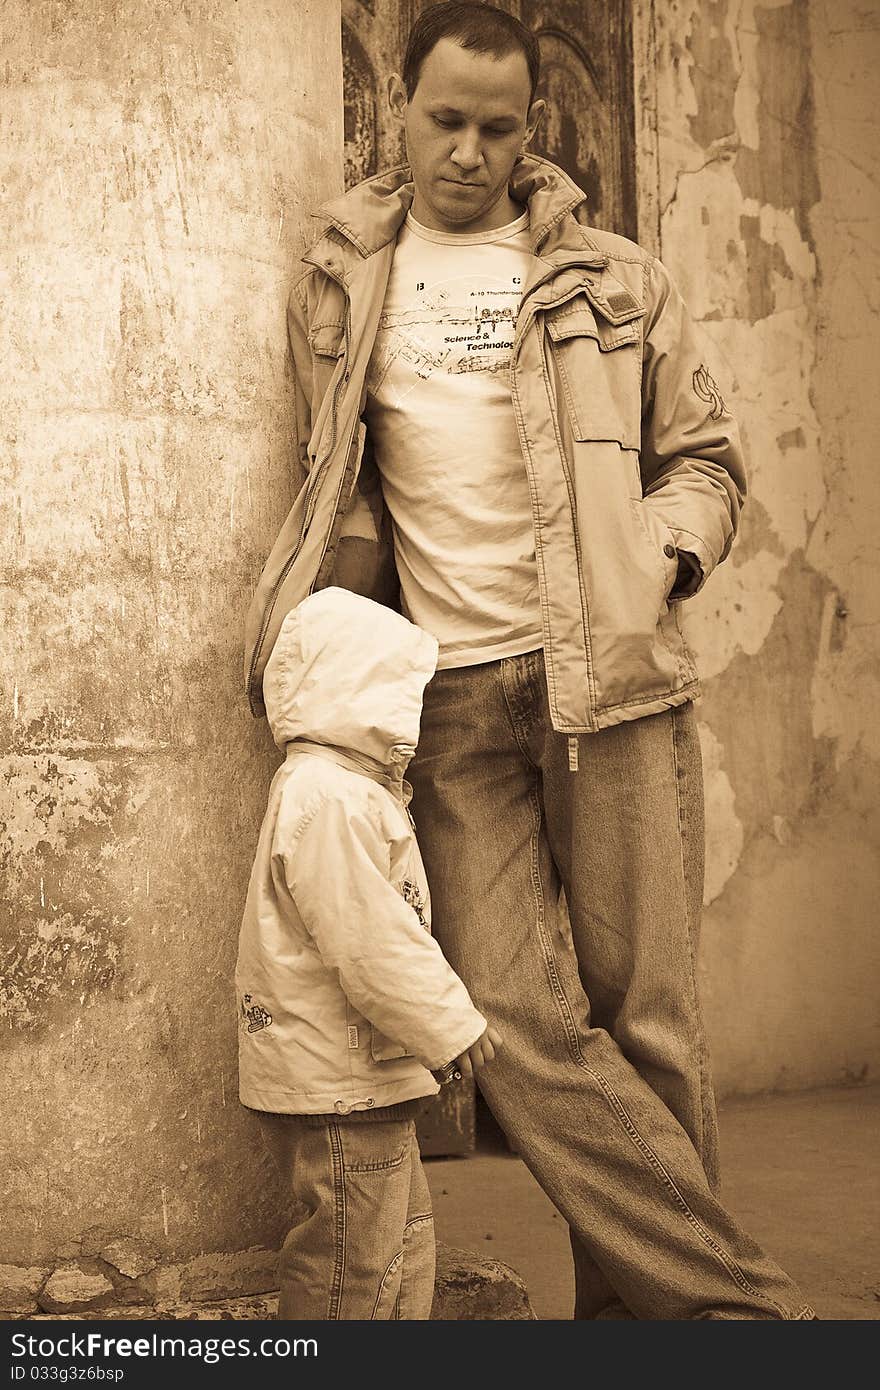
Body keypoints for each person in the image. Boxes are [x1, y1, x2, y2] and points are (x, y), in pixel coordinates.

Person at [243, 2, 816, 1318]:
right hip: (445, 703)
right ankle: (737, 1306)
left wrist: (662, 553)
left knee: (649, 1027)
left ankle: (636, 1325)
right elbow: (333, 480)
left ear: (534, 126)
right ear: (399, 105)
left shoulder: (612, 276)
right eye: (445, 119)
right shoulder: (343, 278)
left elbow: (708, 457)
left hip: (609, 685)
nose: (467, 150)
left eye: (497, 127)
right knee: (504, 1021)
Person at [236, 585, 499, 1319]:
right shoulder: (329, 798)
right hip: (341, 1083)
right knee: (351, 1266)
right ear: (352, 691)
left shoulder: (347, 792)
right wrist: (448, 1023)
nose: (411, 716)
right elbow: (370, 939)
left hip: (363, 1076)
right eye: (400, 691)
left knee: (398, 1247)